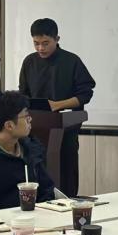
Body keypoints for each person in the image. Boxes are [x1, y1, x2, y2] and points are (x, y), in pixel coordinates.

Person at [18, 18, 95, 196]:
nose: (40, 48)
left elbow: (85, 94)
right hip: (35, 128)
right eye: (36, 43)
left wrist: (57, 105)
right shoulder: (29, 62)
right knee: (37, 171)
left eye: (45, 43)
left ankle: (68, 202)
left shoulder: (71, 61)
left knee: (66, 170)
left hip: (65, 129)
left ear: (57, 39)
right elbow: (23, 94)